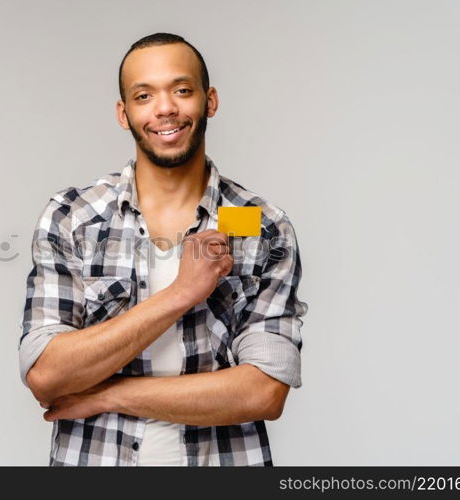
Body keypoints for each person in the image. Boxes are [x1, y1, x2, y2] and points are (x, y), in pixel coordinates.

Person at [18, 32, 308, 466]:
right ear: (124, 113)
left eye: (182, 90)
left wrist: (107, 394)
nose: (165, 108)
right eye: (143, 95)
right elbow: (48, 375)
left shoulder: (265, 226)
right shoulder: (72, 217)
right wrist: (180, 294)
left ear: (210, 101)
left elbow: (264, 392)